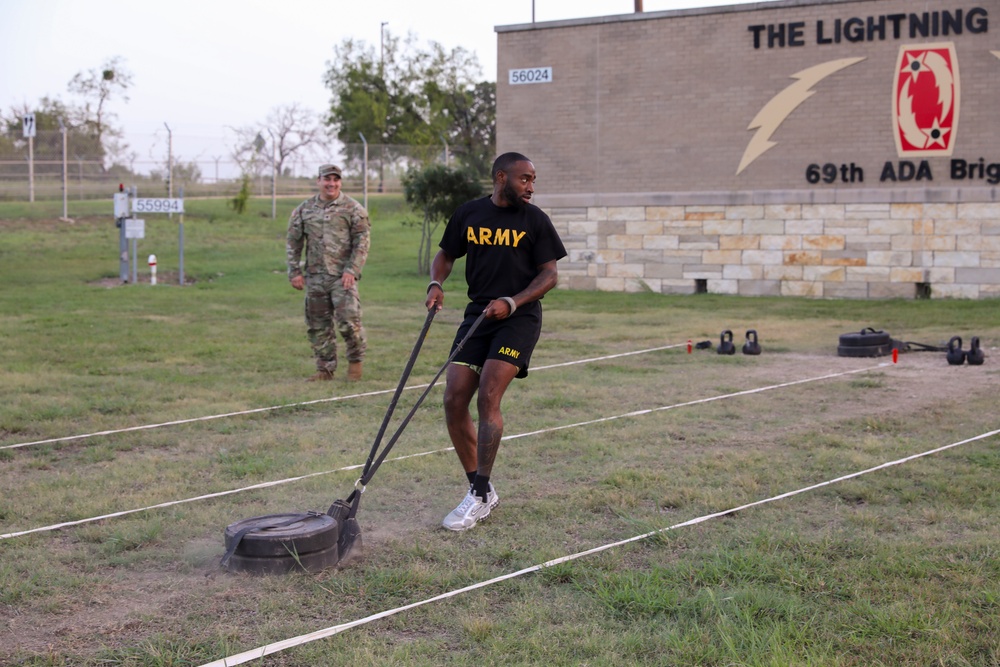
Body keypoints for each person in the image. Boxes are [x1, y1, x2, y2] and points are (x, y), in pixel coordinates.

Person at [425, 152, 567, 531]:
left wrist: (513, 300)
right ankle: (481, 489)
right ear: (501, 177)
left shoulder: (535, 221)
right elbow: (445, 254)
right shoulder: (469, 214)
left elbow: (549, 275)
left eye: (533, 180)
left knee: (489, 394)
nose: (531, 187)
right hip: (479, 315)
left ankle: (478, 496)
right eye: (525, 179)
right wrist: (436, 283)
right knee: (454, 399)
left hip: (518, 318)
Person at [286, 164, 370, 382]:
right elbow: (293, 241)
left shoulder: (353, 209)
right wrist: (294, 271)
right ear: (319, 181)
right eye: (327, 179)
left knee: (349, 323)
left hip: (342, 277)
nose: (331, 184)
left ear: (340, 182)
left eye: (336, 179)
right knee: (318, 326)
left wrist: (352, 269)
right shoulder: (304, 210)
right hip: (315, 277)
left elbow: (362, 242)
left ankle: (355, 365)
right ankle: (325, 369)